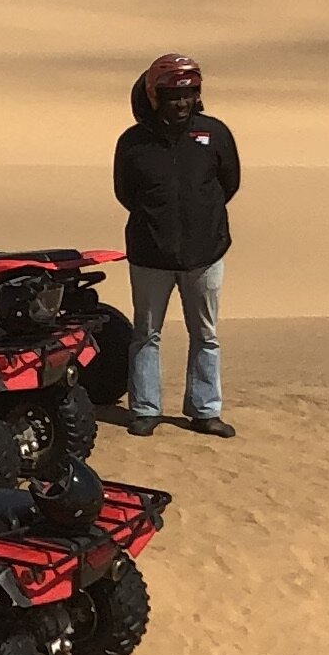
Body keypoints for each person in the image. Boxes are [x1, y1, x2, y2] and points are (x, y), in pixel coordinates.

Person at [112, 51, 238, 438]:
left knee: (206, 334)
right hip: (150, 256)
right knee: (146, 333)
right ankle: (146, 408)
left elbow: (228, 183)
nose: (182, 103)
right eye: (173, 96)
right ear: (155, 97)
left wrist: (202, 222)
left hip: (205, 255)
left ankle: (205, 411)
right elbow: (125, 193)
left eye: (189, 94)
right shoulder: (133, 143)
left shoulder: (214, 134)